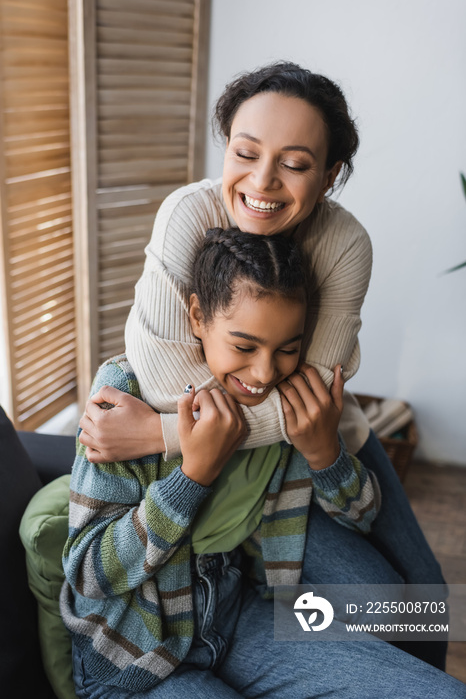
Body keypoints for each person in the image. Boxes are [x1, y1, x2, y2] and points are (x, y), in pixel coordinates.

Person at [77, 62, 447, 668]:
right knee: (377, 608)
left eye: (296, 164)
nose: (263, 181)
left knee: (421, 605)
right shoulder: (187, 216)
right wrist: (193, 433)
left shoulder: (344, 245)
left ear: (329, 176)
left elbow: (309, 397)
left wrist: (162, 432)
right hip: (229, 467)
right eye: (246, 153)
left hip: (316, 446)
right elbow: (167, 380)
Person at [60, 229, 464, 698]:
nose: (265, 373)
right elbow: (89, 572)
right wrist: (192, 477)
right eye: (244, 346)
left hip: (239, 612)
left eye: (286, 348)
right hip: (136, 654)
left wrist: (324, 454)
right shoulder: (124, 390)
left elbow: (364, 514)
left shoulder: (289, 398)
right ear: (196, 315)